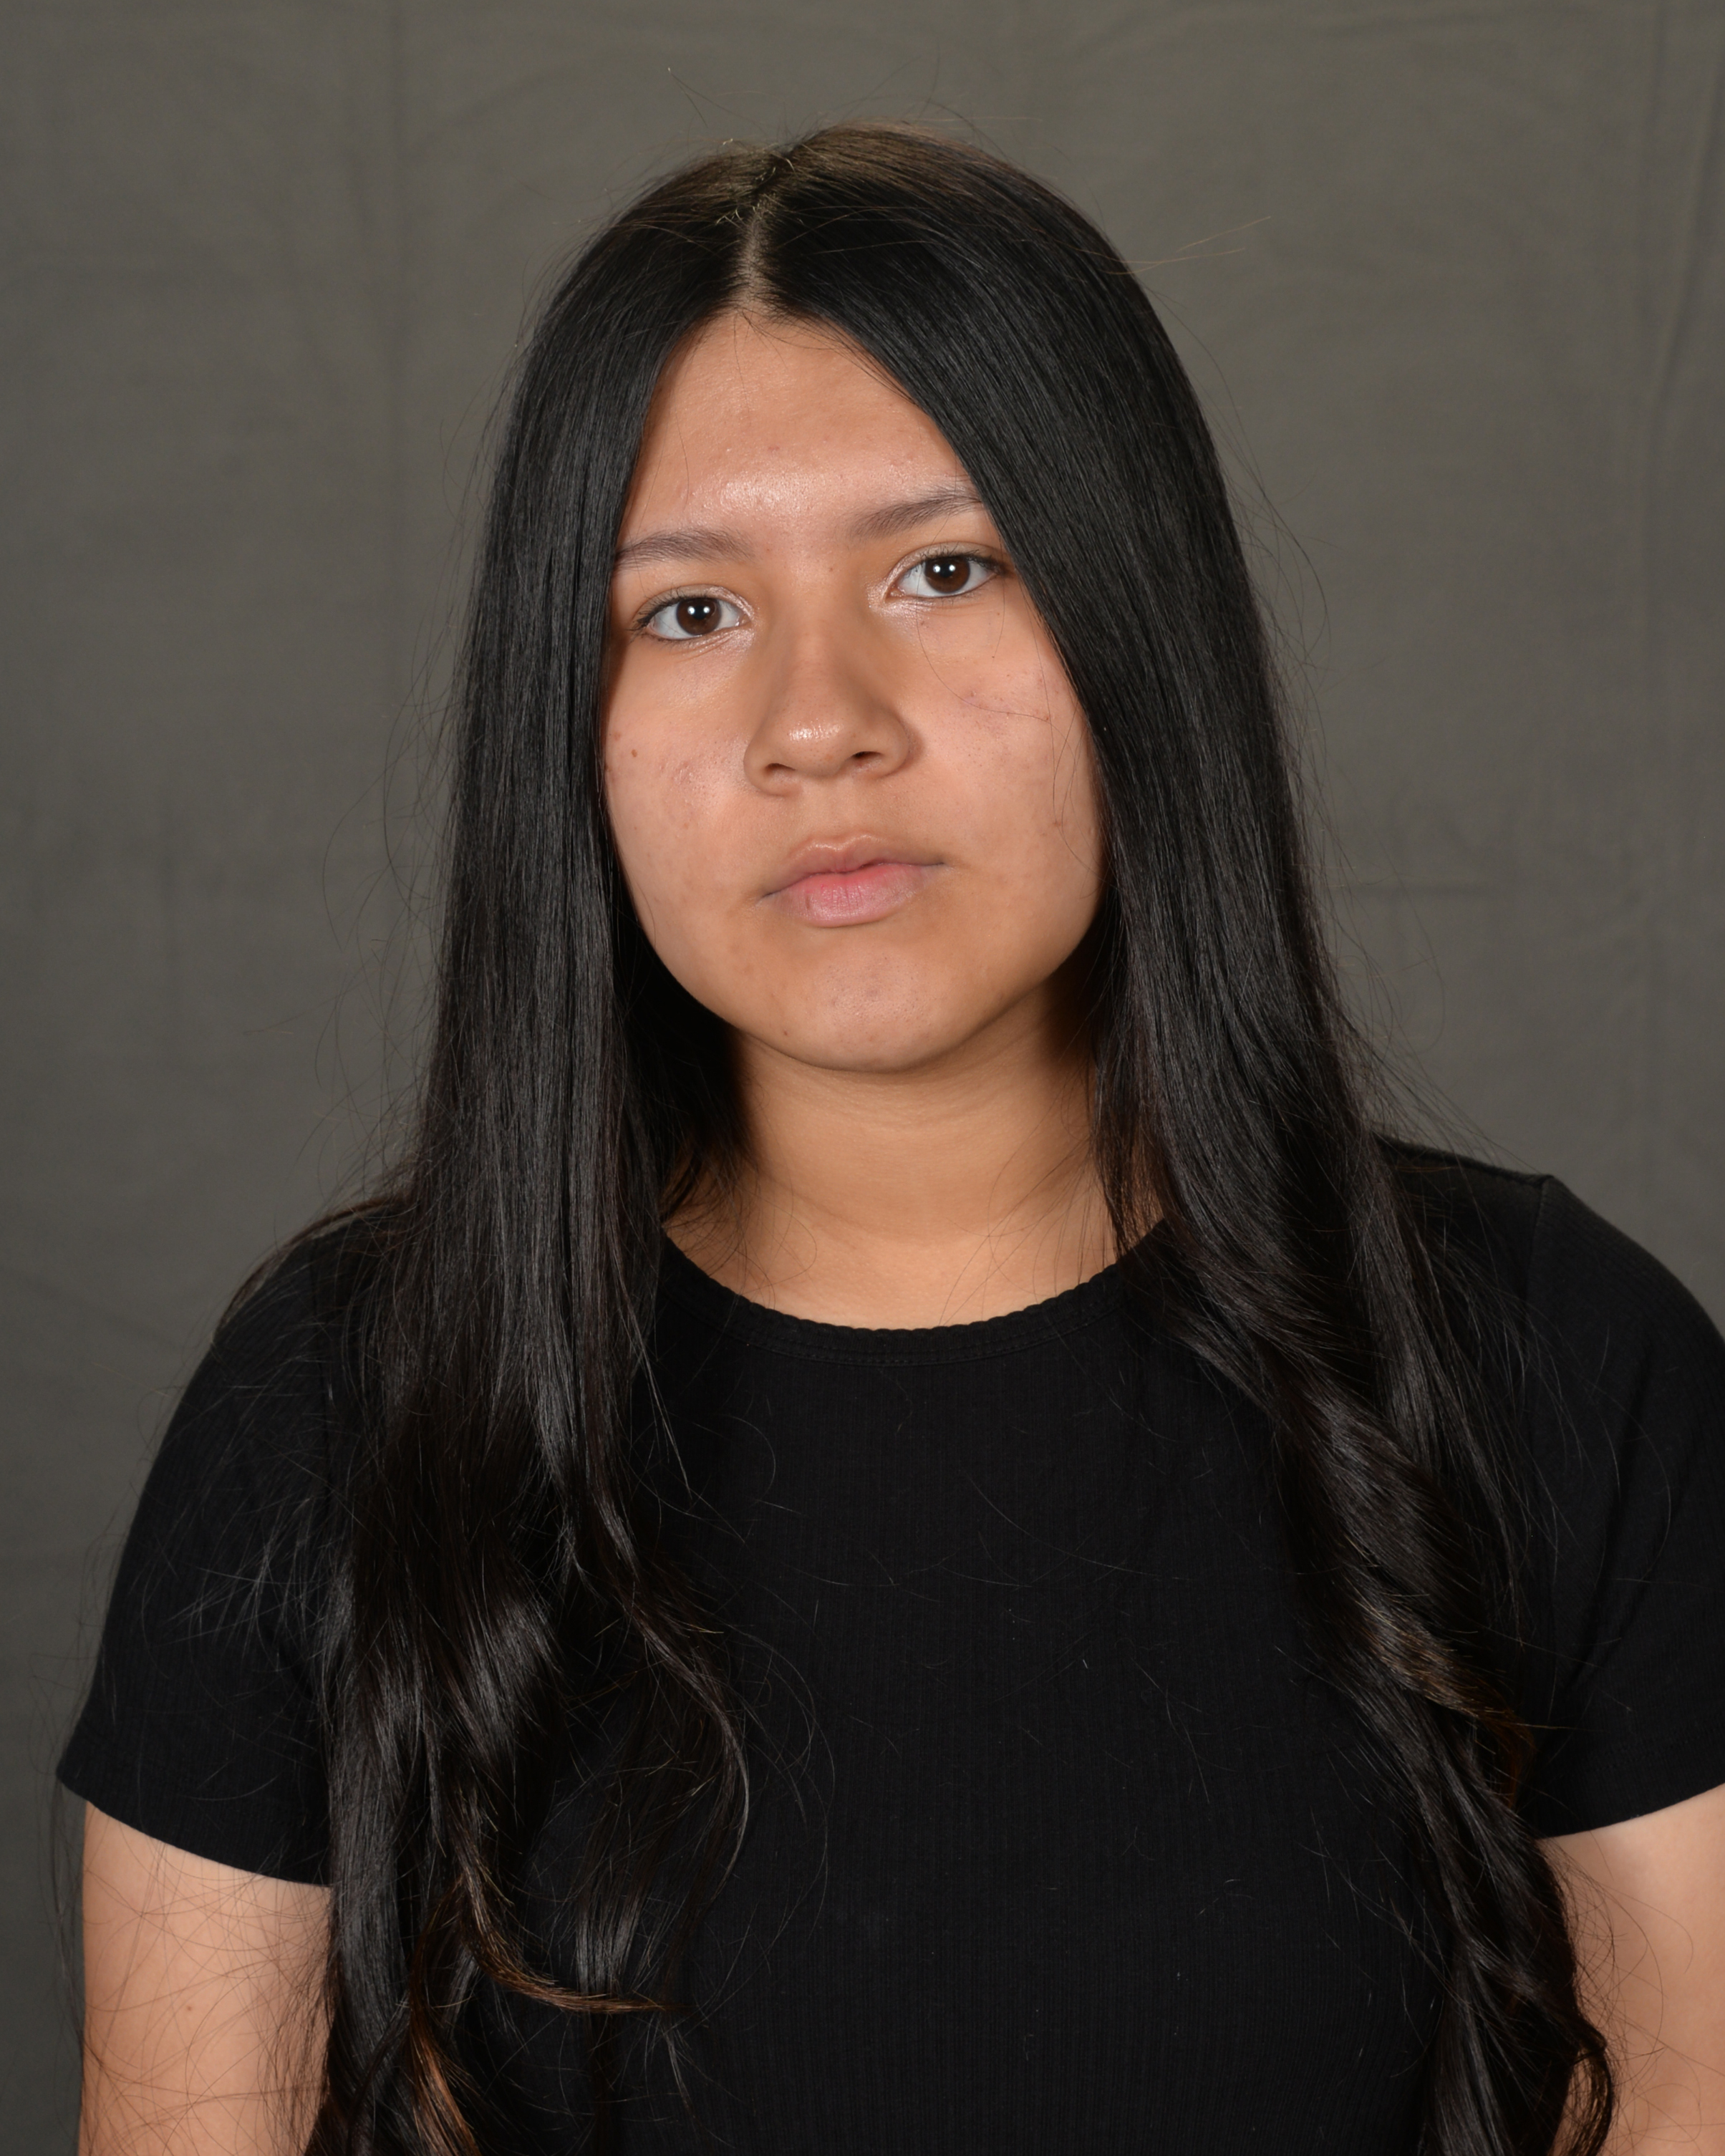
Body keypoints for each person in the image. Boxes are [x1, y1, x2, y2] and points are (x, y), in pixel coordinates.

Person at [62, 124, 1725, 2156]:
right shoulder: (339, 1405)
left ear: (1135, 621)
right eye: (686, 612)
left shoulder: (1553, 1363)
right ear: (567, 722)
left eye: (944, 570)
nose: (818, 718)